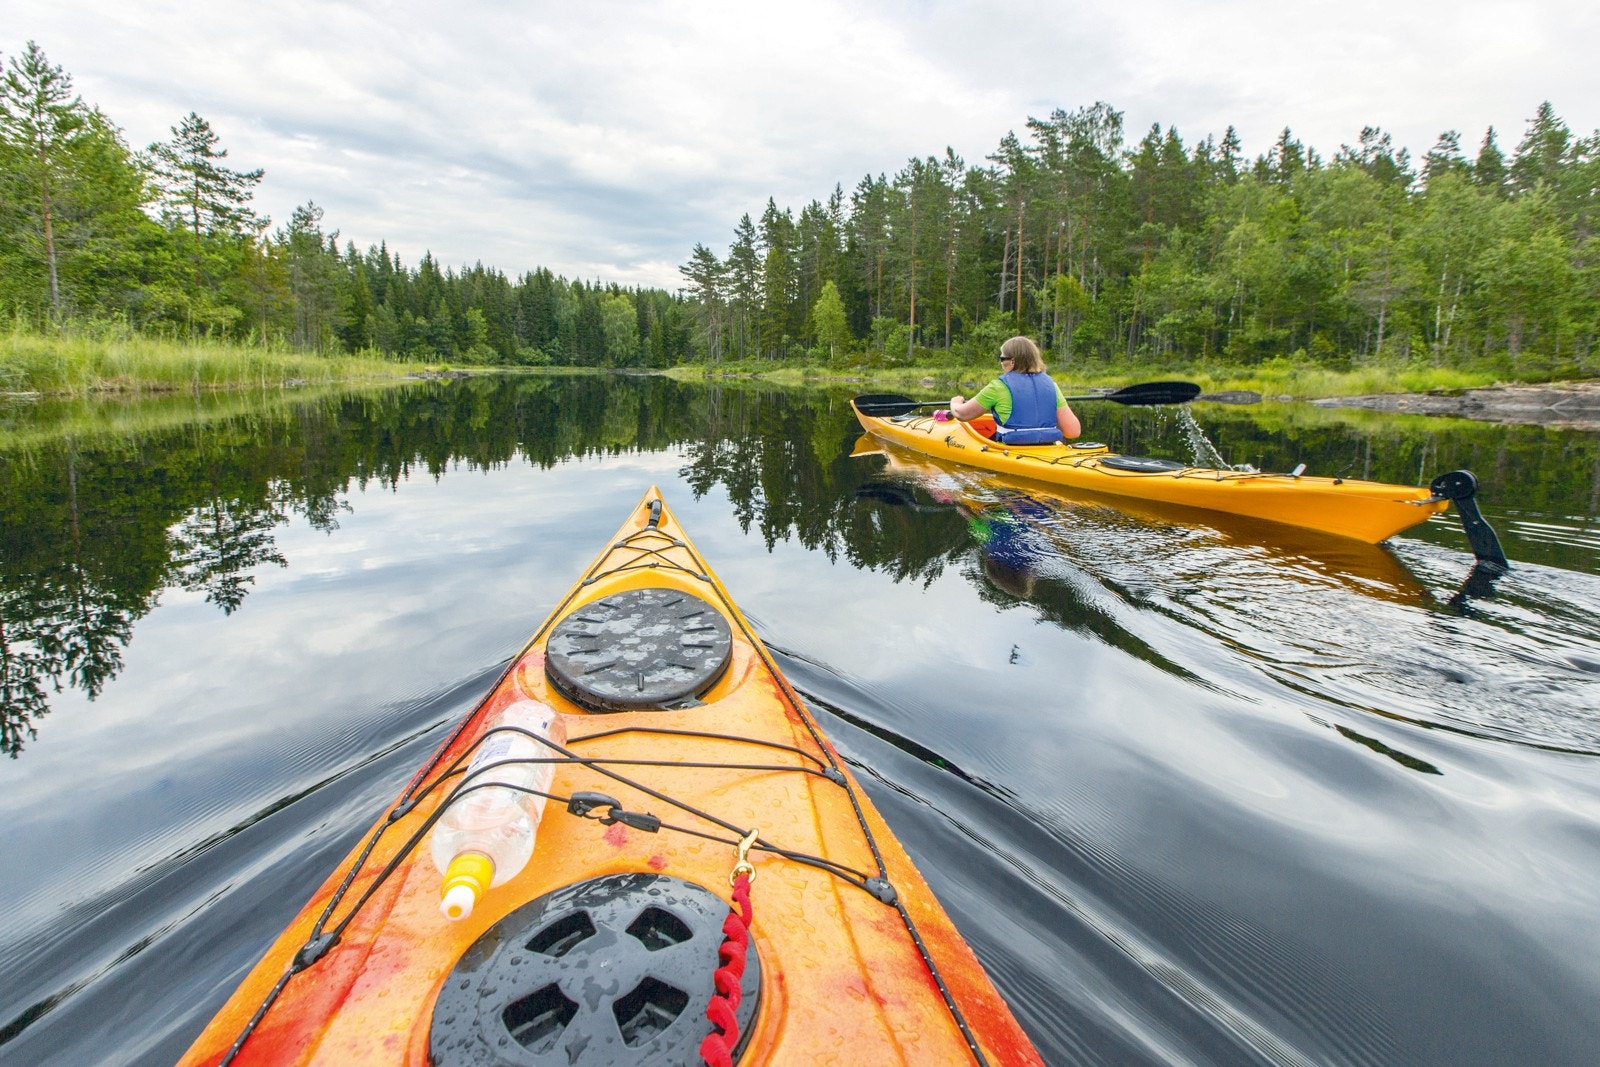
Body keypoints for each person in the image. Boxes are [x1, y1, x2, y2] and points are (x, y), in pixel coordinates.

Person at [948, 336, 1082, 444]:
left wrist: (956, 403)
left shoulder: (998, 386)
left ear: (1012, 361)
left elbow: (962, 414)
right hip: (1047, 449)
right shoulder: (1051, 385)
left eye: (1002, 358)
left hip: (1012, 450)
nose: (1001, 363)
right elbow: (1073, 432)